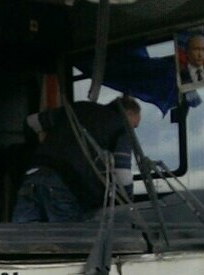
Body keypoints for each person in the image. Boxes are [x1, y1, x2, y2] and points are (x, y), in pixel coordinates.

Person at [12, 95, 142, 223]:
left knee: (22, 239)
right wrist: (127, 205)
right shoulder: (121, 127)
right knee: (70, 241)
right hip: (66, 185)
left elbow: (31, 121)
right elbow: (122, 175)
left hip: (32, 176)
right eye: (134, 125)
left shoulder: (78, 108)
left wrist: (36, 149)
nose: (133, 130)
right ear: (128, 113)